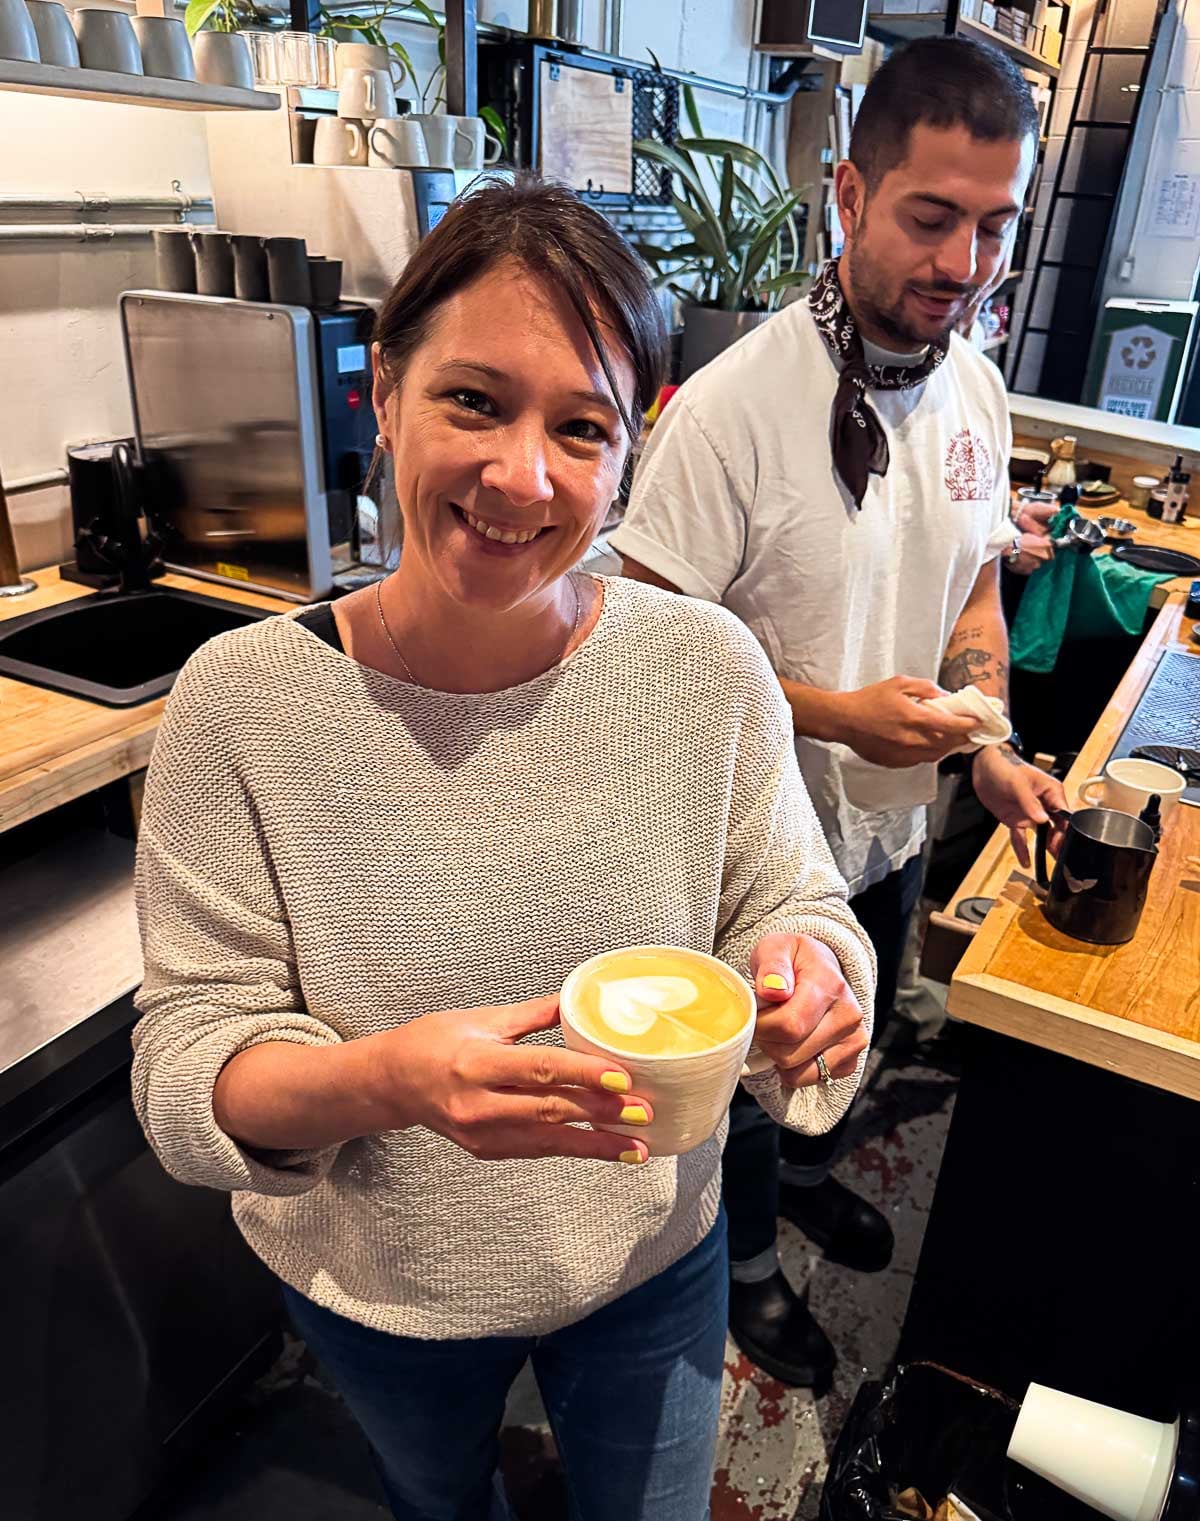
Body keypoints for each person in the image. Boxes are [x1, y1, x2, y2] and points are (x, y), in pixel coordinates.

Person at [130, 176, 876, 1521]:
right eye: (474, 400)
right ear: (384, 398)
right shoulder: (240, 701)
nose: (524, 474)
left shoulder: (706, 669)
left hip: (653, 1251)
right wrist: (389, 1081)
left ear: (630, 450)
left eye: (581, 426)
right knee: (440, 1501)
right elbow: (187, 1061)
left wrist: (811, 976)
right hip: (385, 1281)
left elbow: (800, 902)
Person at [614, 36, 1068, 1389]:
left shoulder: (976, 389)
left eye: (996, 227)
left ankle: (808, 1181)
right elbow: (643, 651)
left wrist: (986, 738)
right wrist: (835, 714)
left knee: (844, 1051)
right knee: (752, 1088)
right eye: (931, 217)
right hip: (751, 856)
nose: (964, 264)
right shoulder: (729, 412)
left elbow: (974, 591)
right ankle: (746, 1270)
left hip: (887, 833)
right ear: (846, 191)